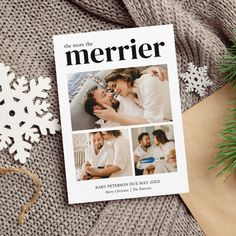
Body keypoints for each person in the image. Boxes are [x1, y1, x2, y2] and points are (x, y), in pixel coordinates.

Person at [93, 66, 171, 124]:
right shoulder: (133, 93)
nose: (115, 92)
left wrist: (115, 117)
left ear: (123, 76)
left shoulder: (149, 83)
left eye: (115, 85)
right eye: (112, 90)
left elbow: (150, 123)